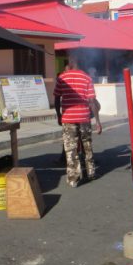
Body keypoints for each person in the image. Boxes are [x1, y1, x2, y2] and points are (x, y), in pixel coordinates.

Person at [54, 57, 102, 188]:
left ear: (69, 64)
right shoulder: (87, 78)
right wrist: (97, 121)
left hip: (68, 119)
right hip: (84, 118)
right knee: (87, 146)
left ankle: (73, 179)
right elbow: (92, 101)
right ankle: (91, 173)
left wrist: (59, 115)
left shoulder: (62, 78)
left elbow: (57, 98)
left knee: (71, 149)